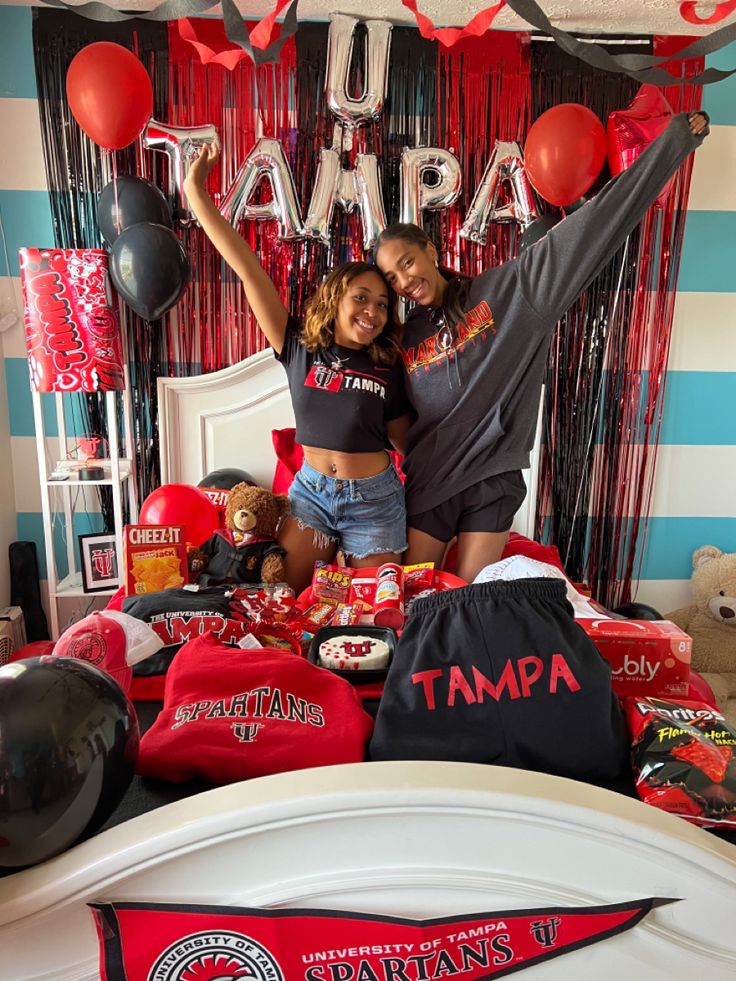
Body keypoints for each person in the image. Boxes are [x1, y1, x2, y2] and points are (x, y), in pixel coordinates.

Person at [373, 111, 709, 584]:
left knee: (471, 601)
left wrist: (673, 143)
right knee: (408, 596)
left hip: (493, 475)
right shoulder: (404, 338)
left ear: (430, 249)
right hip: (432, 480)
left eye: (407, 262)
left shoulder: (513, 292)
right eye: (391, 277)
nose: (404, 280)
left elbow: (595, 227)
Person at [184, 145, 409, 594]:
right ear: (336, 298)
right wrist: (196, 194)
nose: (373, 311)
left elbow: (412, 446)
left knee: (374, 614)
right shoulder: (299, 347)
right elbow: (247, 269)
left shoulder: (389, 365)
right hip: (312, 499)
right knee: (279, 599)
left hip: (375, 503)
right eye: (361, 297)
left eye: (383, 304)